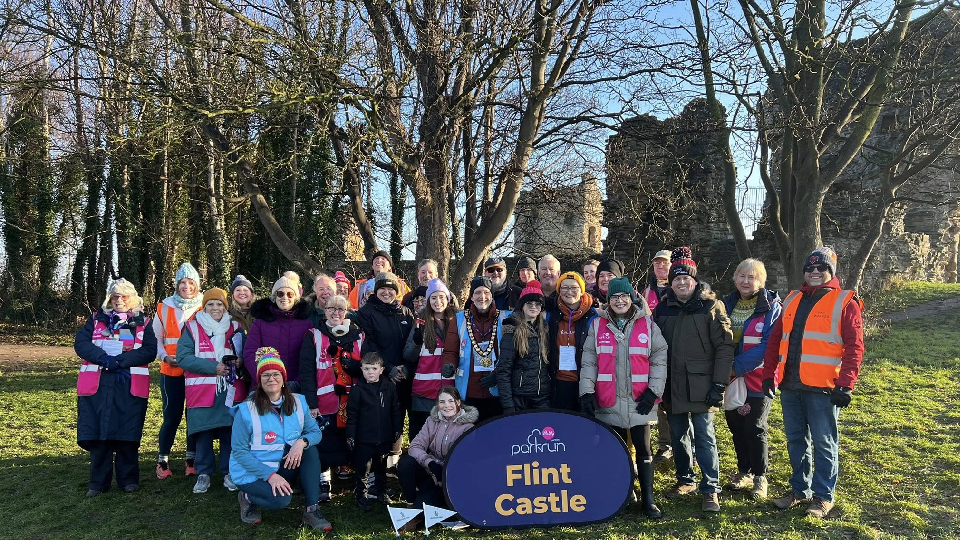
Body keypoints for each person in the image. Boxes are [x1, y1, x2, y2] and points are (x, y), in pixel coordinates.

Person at [762, 247, 864, 519]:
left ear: (831, 271)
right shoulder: (793, 297)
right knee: (796, 440)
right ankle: (799, 490)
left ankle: (823, 497)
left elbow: (855, 347)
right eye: (810, 268)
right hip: (790, 385)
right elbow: (775, 340)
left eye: (822, 268)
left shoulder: (845, 302)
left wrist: (846, 384)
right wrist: (768, 374)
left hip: (824, 388)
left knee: (824, 442)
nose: (815, 272)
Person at [652, 247, 734, 513]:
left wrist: (719, 384)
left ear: (695, 280)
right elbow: (653, 347)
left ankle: (710, 488)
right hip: (672, 384)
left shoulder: (712, 306)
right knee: (678, 436)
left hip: (703, 384)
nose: (681, 282)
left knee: (704, 436)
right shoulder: (663, 308)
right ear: (671, 282)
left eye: (686, 278)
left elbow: (724, 347)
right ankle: (686, 479)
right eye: (676, 279)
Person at [579, 276, 668, 519]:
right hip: (609, 399)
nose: (620, 301)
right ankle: (623, 494)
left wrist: (654, 390)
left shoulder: (647, 325)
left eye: (624, 296)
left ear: (632, 298)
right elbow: (589, 362)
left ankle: (648, 498)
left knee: (644, 449)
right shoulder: (598, 326)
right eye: (615, 297)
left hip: (640, 400)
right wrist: (586, 391)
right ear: (608, 302)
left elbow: (659, 357)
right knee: (615, 451)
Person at [230, 348, 332, 531]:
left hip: (280, 465)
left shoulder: (299, 401)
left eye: (276, 374)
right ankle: (246, 496)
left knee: (310, 449)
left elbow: (315, 432)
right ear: (259, 381)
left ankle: (312, 509)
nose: (271, 379)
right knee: (281, 500)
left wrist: (301, 443)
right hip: (252, 473)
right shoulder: (246, 410)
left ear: (284, 378)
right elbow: (239, 452)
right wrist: (270, 476)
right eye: (266, 375)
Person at [75, 278, 157, 497]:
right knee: (99, 434)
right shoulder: (95, 319)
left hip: (129, 384)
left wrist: (121, 361)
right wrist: (103, 358)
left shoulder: (144, 322)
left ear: (132, 298)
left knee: (127, 433)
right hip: (98, 385)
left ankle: (128, 480)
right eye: (115, 296)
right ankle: (97, 482)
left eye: (124, 296)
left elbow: (150, 350)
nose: (119, 300)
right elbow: (81, 344)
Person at [720, 259, 782, 500]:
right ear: (735, 278)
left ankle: (760, 477)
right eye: (742, 276)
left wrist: (735, 367)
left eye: (752, 277)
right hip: (729, 378)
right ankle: (743, 471)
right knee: (736, 426)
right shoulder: (725, 304)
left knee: (755, 427)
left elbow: (769, 345)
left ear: (761, 281)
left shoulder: (772, 307)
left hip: (759, 377)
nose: (746, 281)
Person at [177, 288, 243, 494]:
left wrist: (238, 362)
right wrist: (213, 367)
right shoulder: (192, 327)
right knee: (202, 433)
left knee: (229, 432)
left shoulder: (236, 327)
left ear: (226, 307)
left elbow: (243, 354)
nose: (216, 308)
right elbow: (183, 357)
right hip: (201, 390)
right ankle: (203, 473)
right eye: (211, 304)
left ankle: (228, 472)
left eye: (220, 304)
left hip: (229, 390)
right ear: (204, 307)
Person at [299, 294, 363, 502]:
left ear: (347, 312)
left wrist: (358, 368)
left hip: (353, 401)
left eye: (340, 309)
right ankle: (324, 480)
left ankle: (353, 476)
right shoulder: (314, 335)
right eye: (331, 309)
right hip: (324, 402)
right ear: (324, 311)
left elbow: (369, 365)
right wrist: (311, 402)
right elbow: (307, 371)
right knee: (324, 441)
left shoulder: (358, 335)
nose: (336, 313)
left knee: (352, 438)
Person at [354, 271, 415, 463]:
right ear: (376, 290)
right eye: (383, 289)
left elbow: (413, 343)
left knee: (402, 414)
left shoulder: (405, 312)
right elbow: (369, 344)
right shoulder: (366, 313)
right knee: (383, 416)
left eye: (391, 289)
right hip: (380, 376)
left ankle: (395, 460)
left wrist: (405, 368)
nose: (387, 293)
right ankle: (379, 461)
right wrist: (388, 369)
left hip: (405, 375)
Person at [397, 386, 478, 530]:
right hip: (431, 471)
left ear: (458, 402)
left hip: (450, 479)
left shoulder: (468, 427)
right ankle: (409, 505)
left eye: (450, 401)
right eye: (442, 402)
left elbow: (465, 460)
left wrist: (442, 471)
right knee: (405, 462)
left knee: (423, 506)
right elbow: (415, 446)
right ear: (437, 404)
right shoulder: (431, 421)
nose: (446, 406)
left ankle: (421, 511)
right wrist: (430, 463)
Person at [154, 262, 203, 479]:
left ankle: (191, 460)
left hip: (196, 372)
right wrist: (165, 356)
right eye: (182, 282)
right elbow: (155, 338)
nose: (186, 286)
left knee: (193, 416)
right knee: (171, 415)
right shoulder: (163, 307)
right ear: (176, 285)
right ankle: (162, 461)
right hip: (170, 370)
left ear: (197, 285)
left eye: (190, 282)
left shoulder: (205, 305)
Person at [442, 276, 511, 421]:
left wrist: (498, 374)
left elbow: (511, 354)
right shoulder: (459, 319)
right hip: (468, 391)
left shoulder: (505, 318)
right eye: (478, 293)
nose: (482, 297)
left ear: (492, 296)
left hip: (498, 391)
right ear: (472, 297)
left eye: (486, 292)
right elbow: (450, 351)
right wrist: (449, 365)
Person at [347, 353, 403, 511]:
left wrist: (397, 429)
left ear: (381, 370)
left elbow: (396, 410)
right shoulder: (358, 390)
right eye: (366, 369)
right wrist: (350, 436)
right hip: (364, 439)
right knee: (363, 469)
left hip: (384, 437)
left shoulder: (389, 387)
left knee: (381, 468)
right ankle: (361, 496)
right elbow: (352, 415)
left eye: (374, 368)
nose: (370, 372)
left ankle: (381, 492)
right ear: (361, 370)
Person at [403, 278, 458, 440]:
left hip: (450, 391)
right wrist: (417, 342)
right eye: (433, 298)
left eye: (441, 297)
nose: (438, 301)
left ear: (447, 299)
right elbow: (408, 355)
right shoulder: (421, 321)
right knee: (423, 439)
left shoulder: (457, 321)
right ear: (428, 301)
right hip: (424, 393)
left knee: (447, 439)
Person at [243, 271, 314, 392]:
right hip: (264, 387)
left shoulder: (306, 323)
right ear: (274, 297)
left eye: (290, 294)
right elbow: (250, 353)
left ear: (296, 298)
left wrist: (297, 382)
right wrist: (264, 379)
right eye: (280, 294)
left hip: (295, 387)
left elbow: (310, 358)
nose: (285, 298)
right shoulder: (260, 322)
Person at [640, 250, 674, 464]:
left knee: (678, 402)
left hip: (677, 353)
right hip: (653, 353)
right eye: (657, 264)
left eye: (664, 263)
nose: (660, 267)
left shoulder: (679, 286)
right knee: (660, 400)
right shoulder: (647, 291)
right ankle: (665, 444)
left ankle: (689, 446)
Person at [496, 280, 552, 411]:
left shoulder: (545, 329)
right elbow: (503, 369)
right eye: (529, 303)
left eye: (537, 304)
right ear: (522, 305)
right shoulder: (512, 328)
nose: (533, 307)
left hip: (542, 396)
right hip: (520, 397)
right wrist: (508, 405)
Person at [547, 271, 598, 411]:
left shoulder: (594, 316)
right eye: (564, 288)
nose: (569, 292)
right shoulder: (551, 315)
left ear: (581, 291)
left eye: (574, 288)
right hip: (559, 383)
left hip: (586, 383)